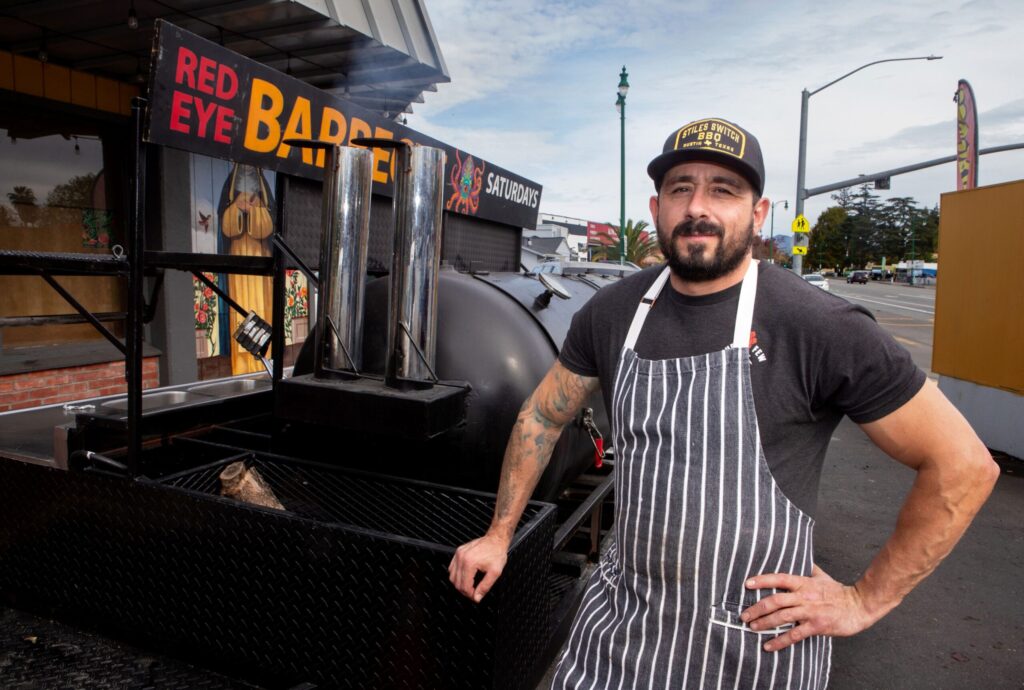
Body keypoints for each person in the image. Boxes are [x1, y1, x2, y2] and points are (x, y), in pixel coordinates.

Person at [448, 117, 998, 688]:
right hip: (619, 632)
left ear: (758, 214)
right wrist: (498, 534)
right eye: (681, 188)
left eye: (724, 190)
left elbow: (963, 467)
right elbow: (541, 414)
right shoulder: (611, 312)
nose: (697, 208)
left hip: (753, 648)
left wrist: (863, 601)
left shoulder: (818, 325)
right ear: (657, 205)